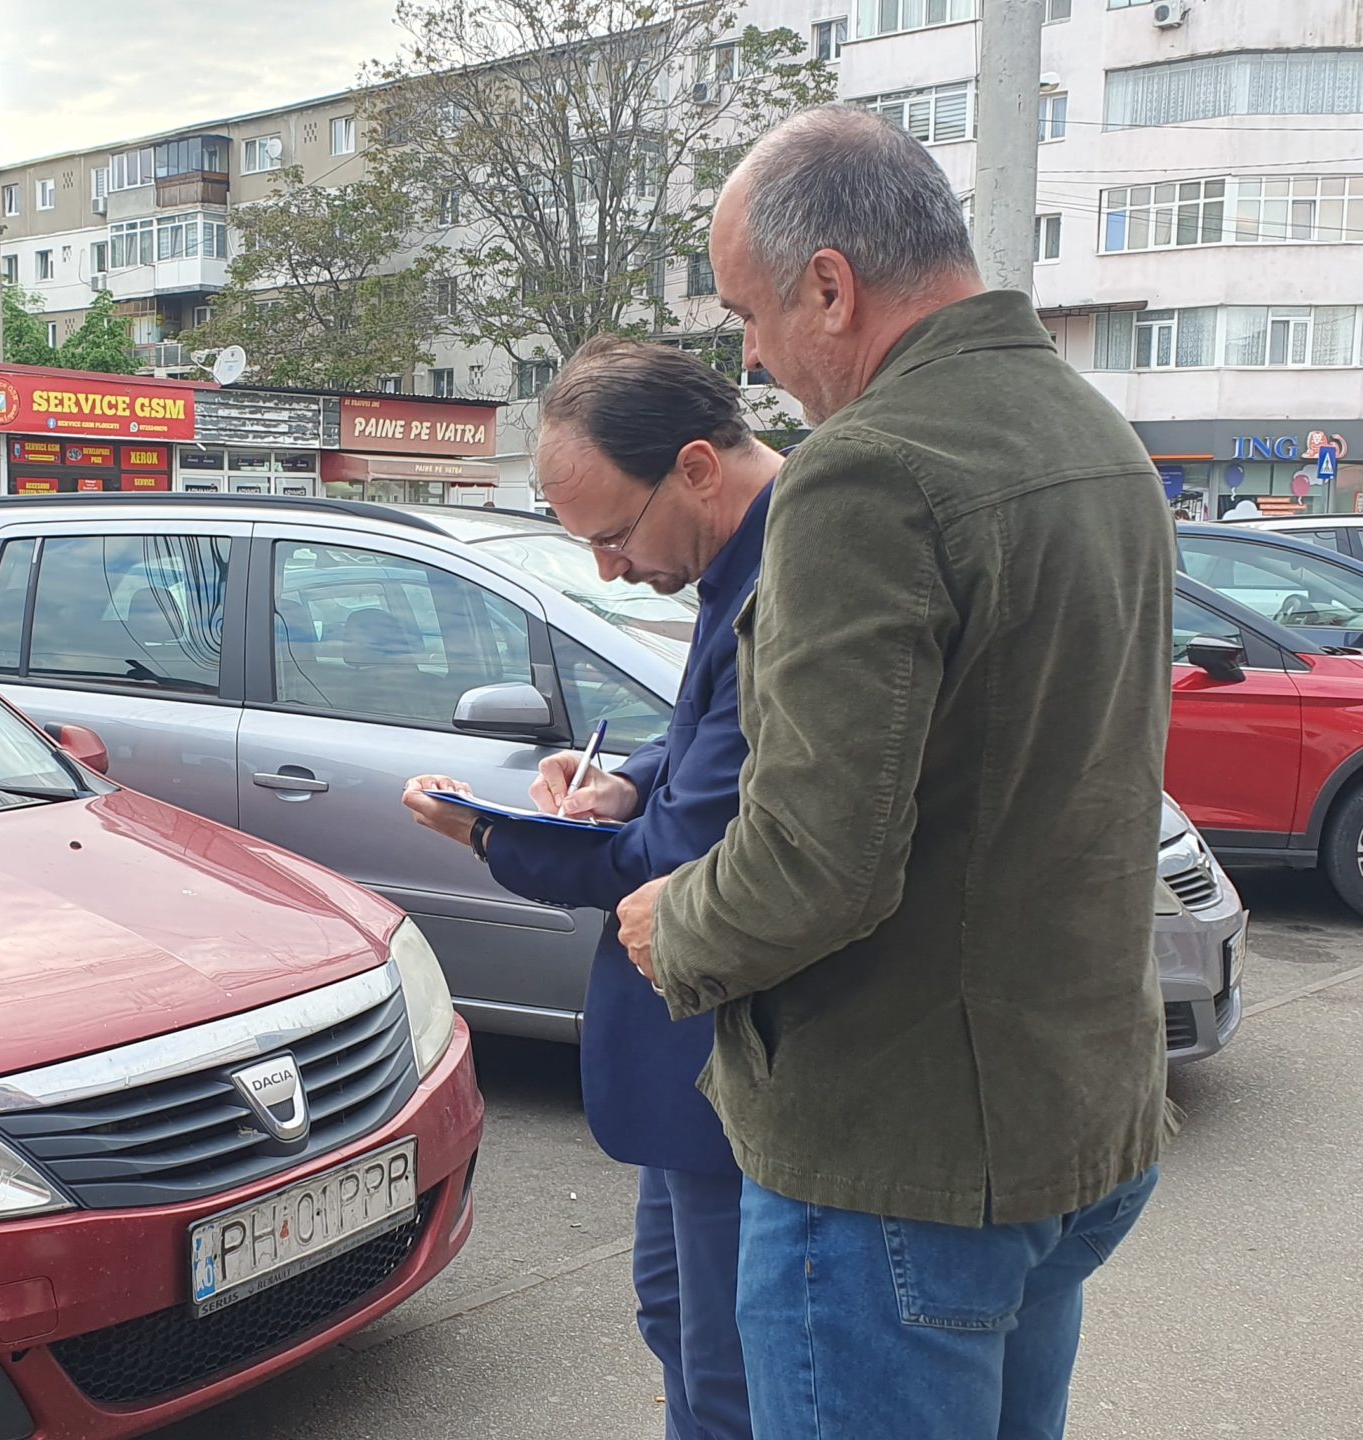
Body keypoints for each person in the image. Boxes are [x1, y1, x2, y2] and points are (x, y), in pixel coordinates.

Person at [613, 106, 1173, 1440]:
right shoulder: (1099, 439)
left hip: (898, 1158)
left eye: (750, 313)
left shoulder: (866, 473)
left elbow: (820, 858)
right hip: (1073, 1119)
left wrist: (669, 921)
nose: (748, 356)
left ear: (830, 286)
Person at [402, 336, 782, 1440]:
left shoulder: (790, 572)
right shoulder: (734, 557)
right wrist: (624, 782)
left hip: (729, 1056)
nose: (609, 569)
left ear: (698, 468)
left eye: (613, 535)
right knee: (674, 1315)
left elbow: (681, 855)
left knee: (723, 1372)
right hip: (687, 1070)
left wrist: (488, 834)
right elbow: (713, 742)